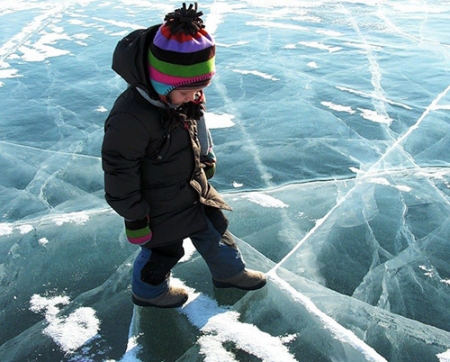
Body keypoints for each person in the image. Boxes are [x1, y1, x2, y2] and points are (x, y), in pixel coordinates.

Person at [101, 3, 266, 308]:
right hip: (158, 205)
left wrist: (206, 159)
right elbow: (118, 170)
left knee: (215, 230)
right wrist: (136, 215)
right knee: (164, 251)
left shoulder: (183, 99)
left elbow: (197, 130)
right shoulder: (130, 118)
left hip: (193, 189)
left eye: (200, 90)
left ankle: (230, 273)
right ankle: (148, 292)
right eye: (187, 93)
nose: (195, 97)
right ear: (161, 85)